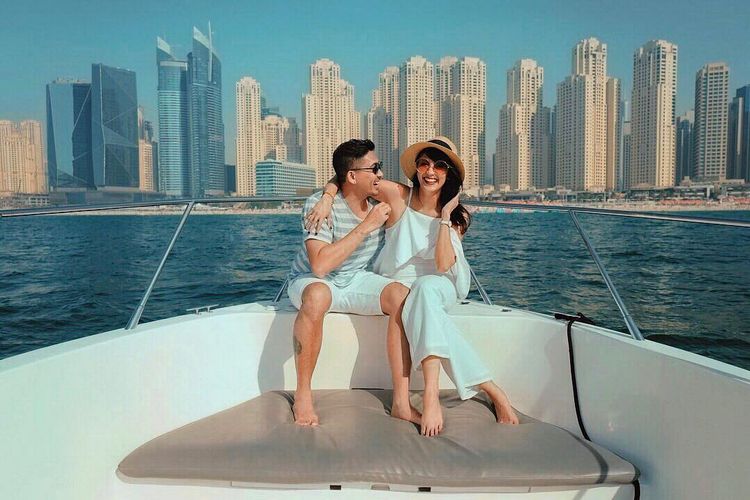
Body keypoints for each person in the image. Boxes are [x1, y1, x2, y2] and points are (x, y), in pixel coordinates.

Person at [307, 137, 519, 436]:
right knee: (420, 295)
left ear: (449, 174)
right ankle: (492, 389)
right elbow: (351, 176)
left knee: (426, 288)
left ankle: (430, 395)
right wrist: (328, 197)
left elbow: (443, 265)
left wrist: (444, 217)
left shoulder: (456, 217)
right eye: (424, 164)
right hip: (401, 285)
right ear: (416, 169)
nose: (430, 171)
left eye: (440, 166)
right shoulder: (398, 196)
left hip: (442, 284)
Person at [287, 139, 412, 426]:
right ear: (353, 177)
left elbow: (417, 193)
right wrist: (365, 224)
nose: (380, 174)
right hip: (312, 279)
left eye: (380, 166)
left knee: (401, 296)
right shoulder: (318, 206)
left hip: (356, 278)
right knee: (317, 295)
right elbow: (320, 266)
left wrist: (330, 189)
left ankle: (401, 402)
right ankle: (303, 393)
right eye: (375, 168)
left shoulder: (380, 199)